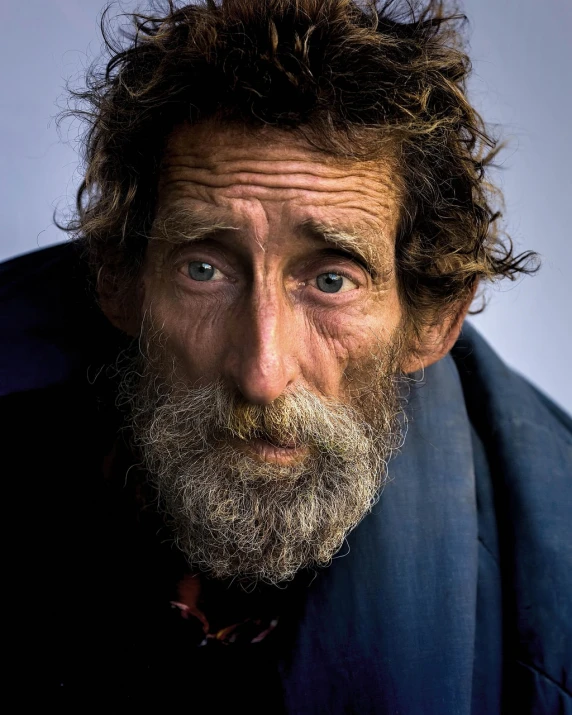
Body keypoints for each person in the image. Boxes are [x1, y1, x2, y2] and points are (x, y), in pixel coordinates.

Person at [2, 0, 570, 711]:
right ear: (119, 283)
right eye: (204, 269)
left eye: (331, 280)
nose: (263, 372)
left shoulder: (552, 599)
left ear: (432, 320)